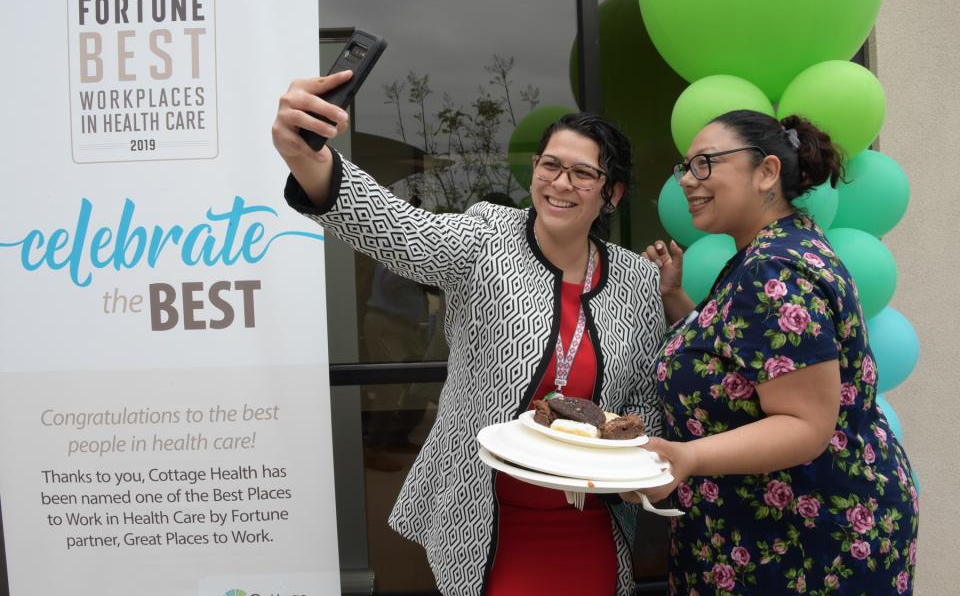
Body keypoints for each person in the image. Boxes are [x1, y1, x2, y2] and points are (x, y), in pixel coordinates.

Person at [271, 71, 666, 595]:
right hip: (485, 516)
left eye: (582, 173)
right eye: (550, 165)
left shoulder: (635, 279)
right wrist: (312, 161)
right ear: (534, 171)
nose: (561, 183)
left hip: (592, 520)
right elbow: (397, 231)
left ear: (610, 193)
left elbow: (641, 407)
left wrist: (646, 468)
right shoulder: (486, 237)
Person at [628, 109, 919, 594]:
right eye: (686, 166)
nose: (685, 181)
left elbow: (805, 424)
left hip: (806, 546)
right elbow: (737, 358)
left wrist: (685, 457)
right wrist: (674, 299)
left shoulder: (773, 270)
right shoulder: (768, 252)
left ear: (766, 172)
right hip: (785, 528)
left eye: (704, 164)